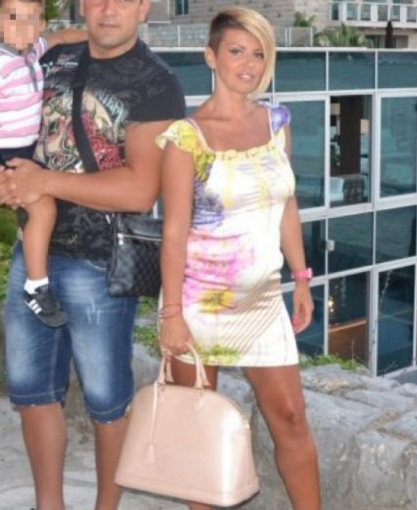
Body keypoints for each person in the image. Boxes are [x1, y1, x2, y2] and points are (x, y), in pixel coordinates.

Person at [0, 0, 186, 508]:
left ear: (144, 7)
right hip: (32, 250)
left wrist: (43, 182)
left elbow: (140, 189)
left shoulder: (157, 83)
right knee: (32, 390)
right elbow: (8, 124)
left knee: (106, 401)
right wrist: (2, 177)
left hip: (100, 261)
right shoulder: (50, 59)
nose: (108, 8)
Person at [157, 7, 321, 510]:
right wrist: (171, 315)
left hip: (263, 300)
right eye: (236, 51)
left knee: (291, 418)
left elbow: (286, 204)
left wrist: (301, 278)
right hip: (198, 303)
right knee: (200, 431)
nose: (248, 64)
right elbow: (173, 231)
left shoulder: (276, 122)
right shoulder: (187, 137)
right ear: (211, 57)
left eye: (258, 54)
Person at [0, 0, 87, 327]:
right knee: (43, 208)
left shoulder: (32, 51)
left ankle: (36, 274)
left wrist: (94, 35)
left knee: (37, 207)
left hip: (23, 148)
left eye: (32, 19)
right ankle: (36, 285)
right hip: (4, 150)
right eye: (14, 18)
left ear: (40, 24)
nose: (23, 26)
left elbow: (61, 37)